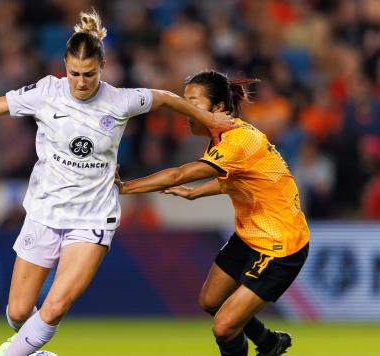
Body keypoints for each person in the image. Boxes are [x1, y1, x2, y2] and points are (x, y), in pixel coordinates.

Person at [0, 9, 236, 356]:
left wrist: (205, 117)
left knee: (53, 307)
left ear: (101, 67)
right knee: (19, 313)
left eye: (89, 74)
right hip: (44, 211)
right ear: (63, 68)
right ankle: (34, 352)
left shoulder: (120, 100)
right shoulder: (45, 93)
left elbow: (165, 97)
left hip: (93, 219)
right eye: (74, 74)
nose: (81, 82)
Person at [115, 70, 310, 356]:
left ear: (218, 108)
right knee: (210, 301)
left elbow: (179, 174)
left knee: (224, 327)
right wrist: (196, 193)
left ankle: (265, 345)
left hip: (280, 245)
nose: (185, 109)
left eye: (193, 102)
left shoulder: (238, 141)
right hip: (250, 236)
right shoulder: (223, 137)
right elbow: (238, 180)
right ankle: (269, 342)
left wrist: (124, 187)